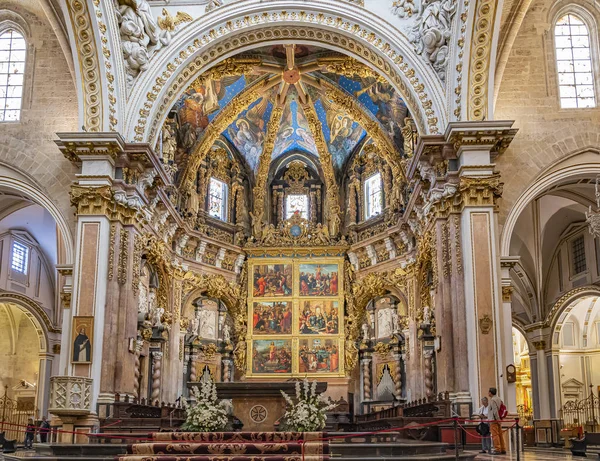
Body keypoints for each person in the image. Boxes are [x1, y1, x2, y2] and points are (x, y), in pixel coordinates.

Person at [488, 387, 507, 455]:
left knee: (495, 435)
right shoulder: (499, 399)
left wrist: (498, 419)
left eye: (488, 392)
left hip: (494, 420)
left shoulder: (493, 400)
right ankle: (503, 448)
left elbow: (495, 411)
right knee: (500, 434)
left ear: (490, 392)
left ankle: (497, 449)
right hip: (498, 419)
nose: (488, 393)